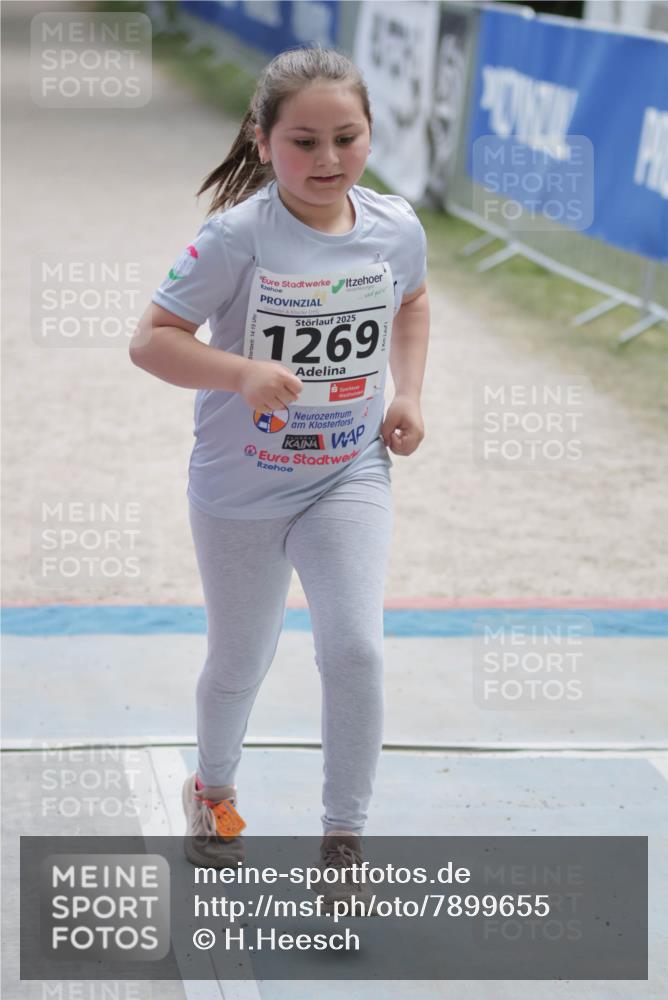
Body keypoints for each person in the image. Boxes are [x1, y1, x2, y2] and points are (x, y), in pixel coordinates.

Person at [129, 44, 430, 906]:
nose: (328, 160)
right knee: (240, 659)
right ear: (262, 142)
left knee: (356, 649)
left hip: (348, 473)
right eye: (304, 142)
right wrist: (241, 374)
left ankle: (343, 840)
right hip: (242, 483)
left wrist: (409, 393)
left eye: (347, 138)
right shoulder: (236, 237)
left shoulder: (395, 228)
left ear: (370, 135)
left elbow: (412, 302)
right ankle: (214, 792)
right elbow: (151, 340)